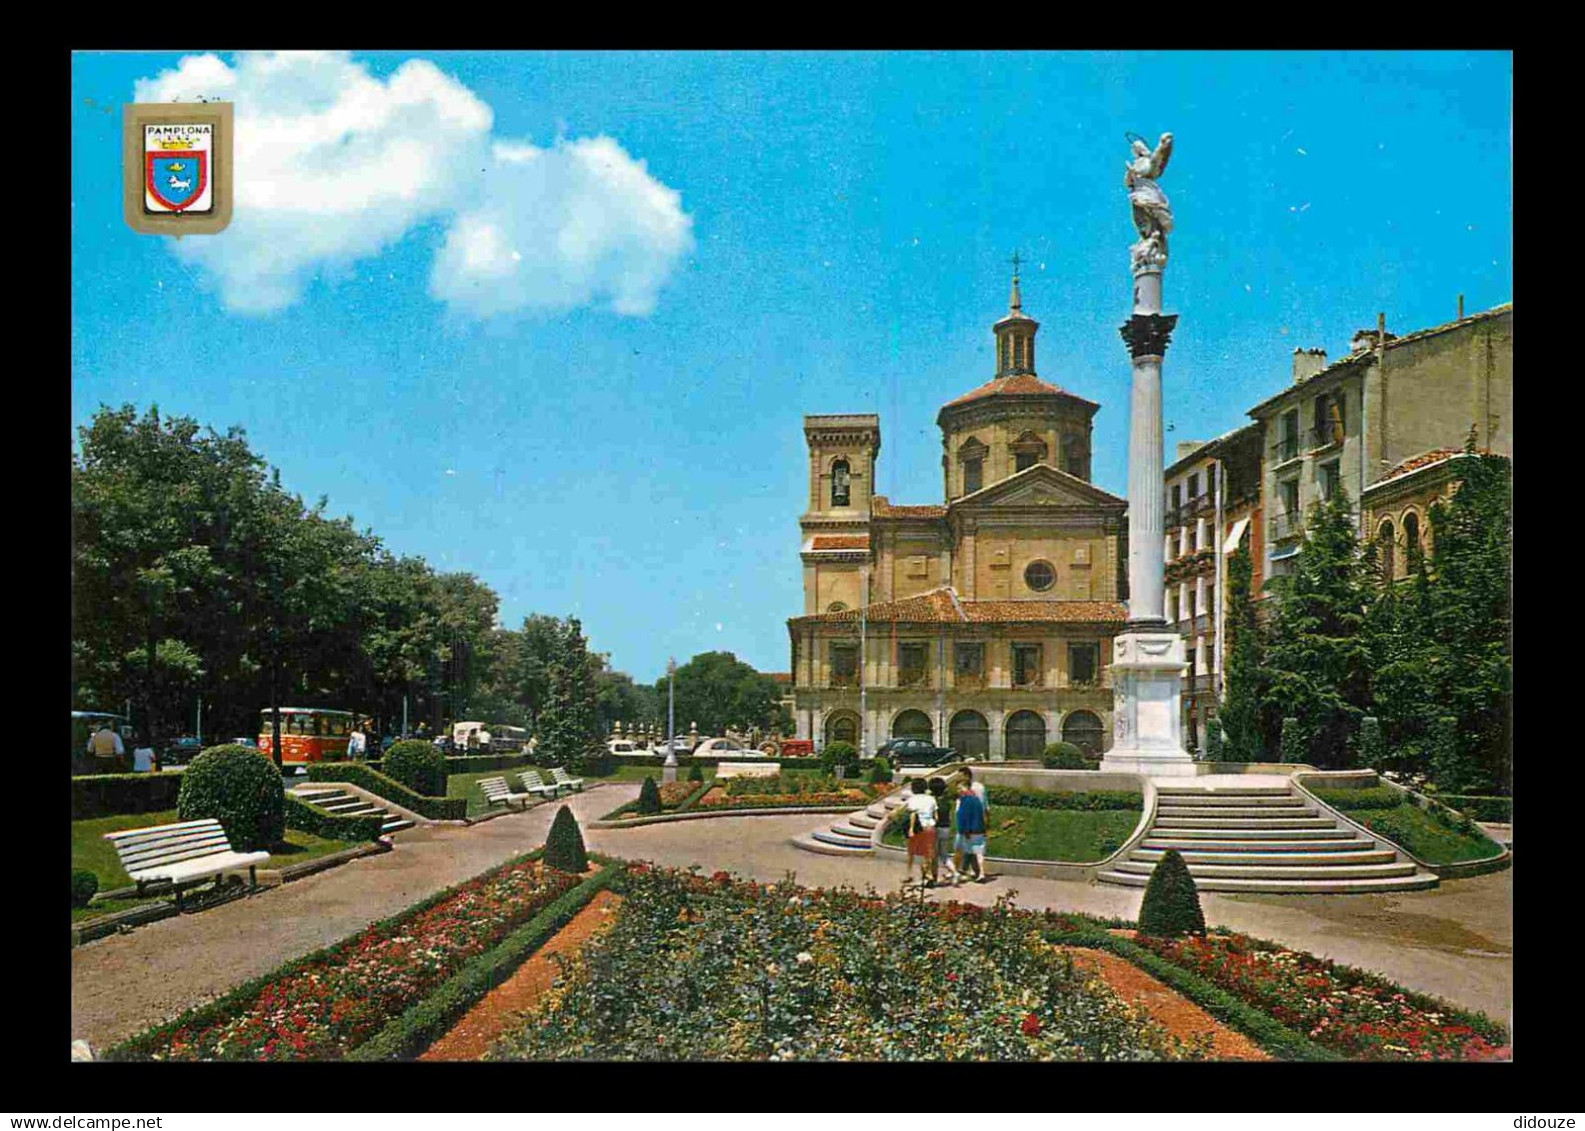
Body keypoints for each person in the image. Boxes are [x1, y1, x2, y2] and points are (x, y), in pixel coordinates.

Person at [902, 777, 937, 888]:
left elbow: (913, 814)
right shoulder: (931, 799)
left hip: (918, 827)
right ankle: (929, 875)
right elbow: (936, 816)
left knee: (912, 852)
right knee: (928, 853)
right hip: (930, 827)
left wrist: (911, 829)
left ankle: (910, 875)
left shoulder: (913, 799)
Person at [953, 778, 989, 885]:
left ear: (965, 787)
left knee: (968, 851)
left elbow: (964, 817)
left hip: (969, 831)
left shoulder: (965, 800)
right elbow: (981, 814)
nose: (958, 790)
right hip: (979, 830)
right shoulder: (977, 799)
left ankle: (963, 872)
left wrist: (965, 830)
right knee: (979, 853)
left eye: (960, 788)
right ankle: (980, 873)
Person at [928, 776, 957, 886]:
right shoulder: (946, 801)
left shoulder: (932, 801)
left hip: (935, 829)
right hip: (946, 827)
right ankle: (954, 872)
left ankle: (934, 879)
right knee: (944, 854)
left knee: (934, 856)